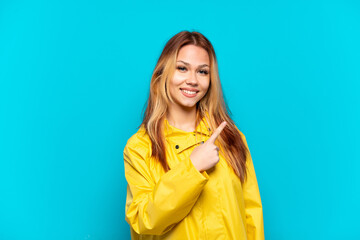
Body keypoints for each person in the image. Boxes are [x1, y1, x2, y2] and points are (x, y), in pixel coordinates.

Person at [123, 30, 264, 240]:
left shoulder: (232, 138)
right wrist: (192, 168)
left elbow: (251, 216)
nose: (193, 80)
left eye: (202, 72)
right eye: (182, 68)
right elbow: (144, 220)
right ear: (164, 73)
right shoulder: (140, 147)